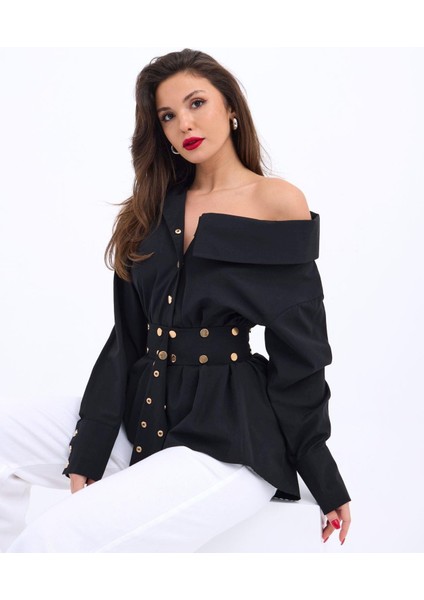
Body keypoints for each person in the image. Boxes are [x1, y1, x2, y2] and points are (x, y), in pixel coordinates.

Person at [1, 48, 351, 552]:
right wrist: (91, 446)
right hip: (145, 414)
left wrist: (321, 471)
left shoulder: (275, 202)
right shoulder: (152, 207)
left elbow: (302, 352)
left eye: (196, 103)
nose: (183, 123)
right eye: (167, 115)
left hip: (228, 440)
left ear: (231, 107)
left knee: (53, 537)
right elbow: (126, 339)